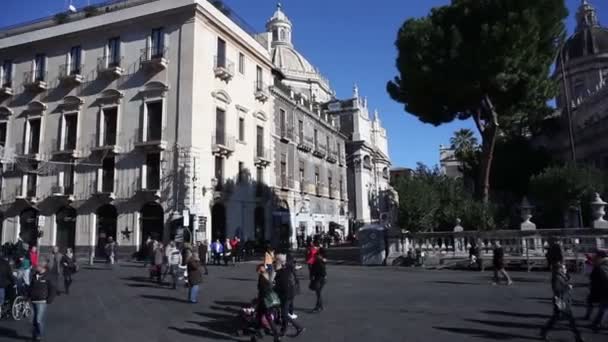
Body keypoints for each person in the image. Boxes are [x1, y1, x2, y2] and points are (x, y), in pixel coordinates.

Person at [540, 262, 584, 342]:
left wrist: (568, 279)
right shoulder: (556, 277)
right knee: (570, 320)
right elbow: (557, 289)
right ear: (559, 269)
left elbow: (567, 283)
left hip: (564, 300)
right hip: (561, 301)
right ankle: (578, 337)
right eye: (563, 268)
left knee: (555, 319)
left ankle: (544, 332)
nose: (565, 269)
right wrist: (567, 287)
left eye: (565, 268)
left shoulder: (562, 276)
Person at [274, 254, 305, 337]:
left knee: (284, 313)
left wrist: (274, 290)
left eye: (276, 262)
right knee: (284, 311)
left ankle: (298, 327)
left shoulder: (281, 272)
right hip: (290, 293)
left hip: (286, 295)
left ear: (279, 262)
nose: (274, 263)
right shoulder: (287, 269)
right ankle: (284, 329)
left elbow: (281, 286)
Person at [30, 261, 57, 341]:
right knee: (34, 320)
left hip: (42, 301)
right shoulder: (34, 275)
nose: (35, 267)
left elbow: (53, 289)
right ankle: (35, 333)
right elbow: (31, 287)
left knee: (39, 319)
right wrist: (28, 296)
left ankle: (39, 335)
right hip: (33, 300)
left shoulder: (48, 276)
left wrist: (49, 299)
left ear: (42, 267)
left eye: (37, 266)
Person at [255, 263, 280, 342]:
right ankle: (257, 336)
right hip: (269, 300)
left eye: (258, 269)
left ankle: (275, 335)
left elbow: (262, 290)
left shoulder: (262, 277)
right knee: (262, 317)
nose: (257, 271)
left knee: (265, 317)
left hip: (265, 301)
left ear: (261, 269)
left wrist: (259, 300)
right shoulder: (267, 275)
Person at [591, 249, 608, 332]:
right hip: (604, 289)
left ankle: (598, 324)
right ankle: (596, 323)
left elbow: (603, 278)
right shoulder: (602, 264)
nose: (595, 257)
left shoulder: (602, 265)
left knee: (604, 308)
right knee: (603, 307)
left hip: (605, 289)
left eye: (596, 256)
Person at [310, 248, 327, 313]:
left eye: (316, 255)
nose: (315, 256)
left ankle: (318, 307)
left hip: (318, 279)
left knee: (318, 293)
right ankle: (320, 306)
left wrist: (312, 276)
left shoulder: (317, 262)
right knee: (318, 293)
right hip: (322, 278)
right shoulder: (322, 261)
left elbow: (313, 271)